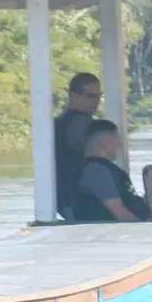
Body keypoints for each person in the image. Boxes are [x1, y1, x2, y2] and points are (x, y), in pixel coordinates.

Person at [73, 119, 152, 223]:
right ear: (106, 141)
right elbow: (120, 213)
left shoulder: (91, 170)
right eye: (117, 139)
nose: (120, 145)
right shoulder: (97, 172)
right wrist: (147, 228)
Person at [55, 72, 101, 219]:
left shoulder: (57, 123)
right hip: (78, 199)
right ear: (73, 95)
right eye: (90, 96)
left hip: (64, 199)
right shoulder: (82, 124)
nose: (96, 101)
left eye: (99, 96)